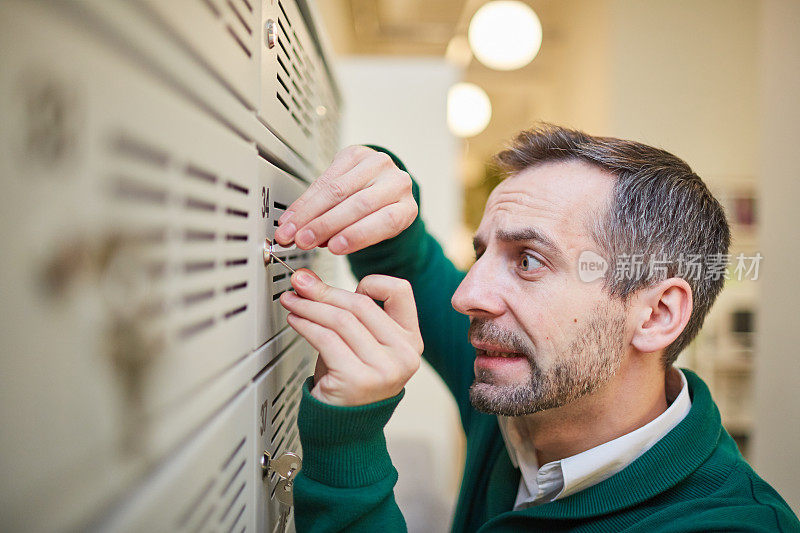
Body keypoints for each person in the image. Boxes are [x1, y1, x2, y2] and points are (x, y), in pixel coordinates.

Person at [273, 124, 800, 532]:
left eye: (528, 260)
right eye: (483, 254)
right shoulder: (524, 383)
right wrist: (381, 189)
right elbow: (407, 258)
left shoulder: (729, 524)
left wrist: (348, 441)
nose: (465, 297)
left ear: (657, 314)